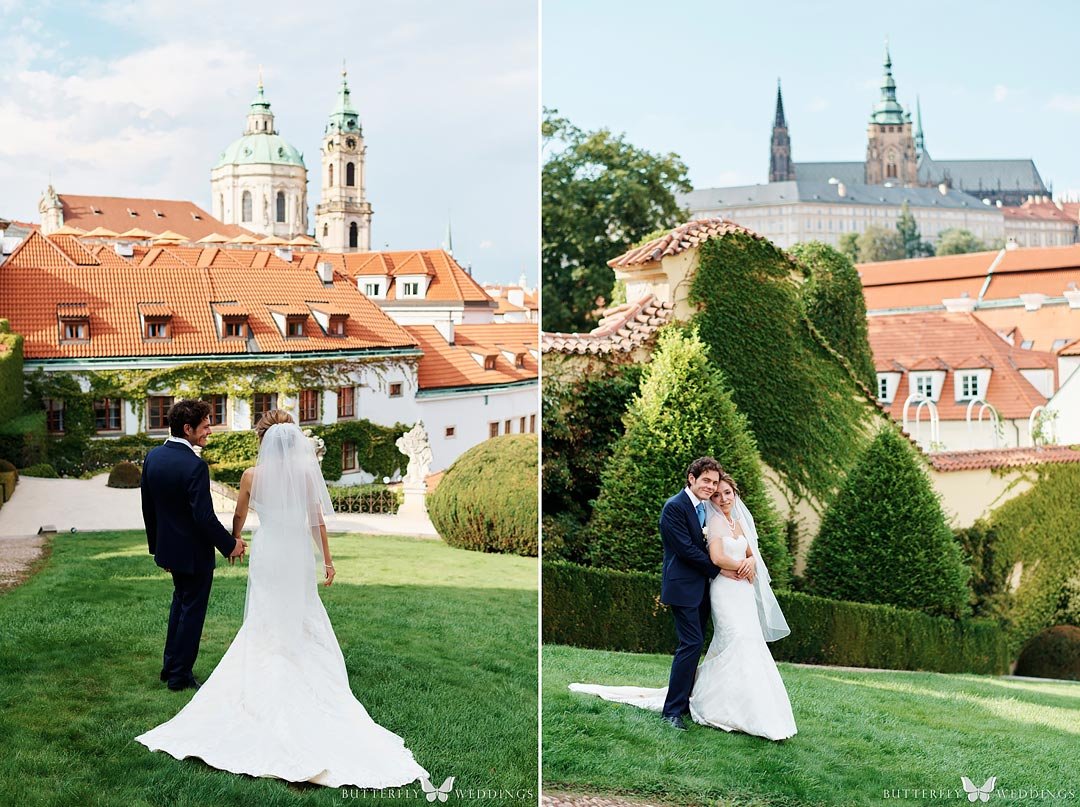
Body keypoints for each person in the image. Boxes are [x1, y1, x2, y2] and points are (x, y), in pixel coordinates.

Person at [136, 409, 429, 787]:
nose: (209, 429)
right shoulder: (306, 475)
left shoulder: (245, 475)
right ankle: (272, 660)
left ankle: (185, 667)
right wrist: (328, 559)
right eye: (206, 424)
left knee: (252, 611)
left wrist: (233, 541)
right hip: (295, 553)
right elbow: (316, 520)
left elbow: (237, 514)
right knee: (301, 607)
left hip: (268, 550)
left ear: (262, 441)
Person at [568, 465, 797, 741]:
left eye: (717, 485)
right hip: (685, 587)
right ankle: (672, 711)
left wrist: (749, 560)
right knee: (691, 644)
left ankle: (693, 699)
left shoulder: (707, 509)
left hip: (706, 589)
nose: (713, 489)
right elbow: (687, 549)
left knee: (700, 645)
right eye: (708, 482)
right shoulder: (674, 507)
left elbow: (746, 550)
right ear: (692, 478)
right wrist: (721, 570)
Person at [141, 399, 245, 692]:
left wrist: (158, 549)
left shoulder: (153, 457)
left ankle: (170, 667)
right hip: (195, 555)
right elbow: (204, 517)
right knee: (192, 613)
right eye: (205, 425)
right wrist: (230, 545)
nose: (210, 430)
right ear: (187, 429)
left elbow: (148, 508)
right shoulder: (195, 466)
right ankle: (179, 677)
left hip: (171, 552)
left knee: (180, 606)